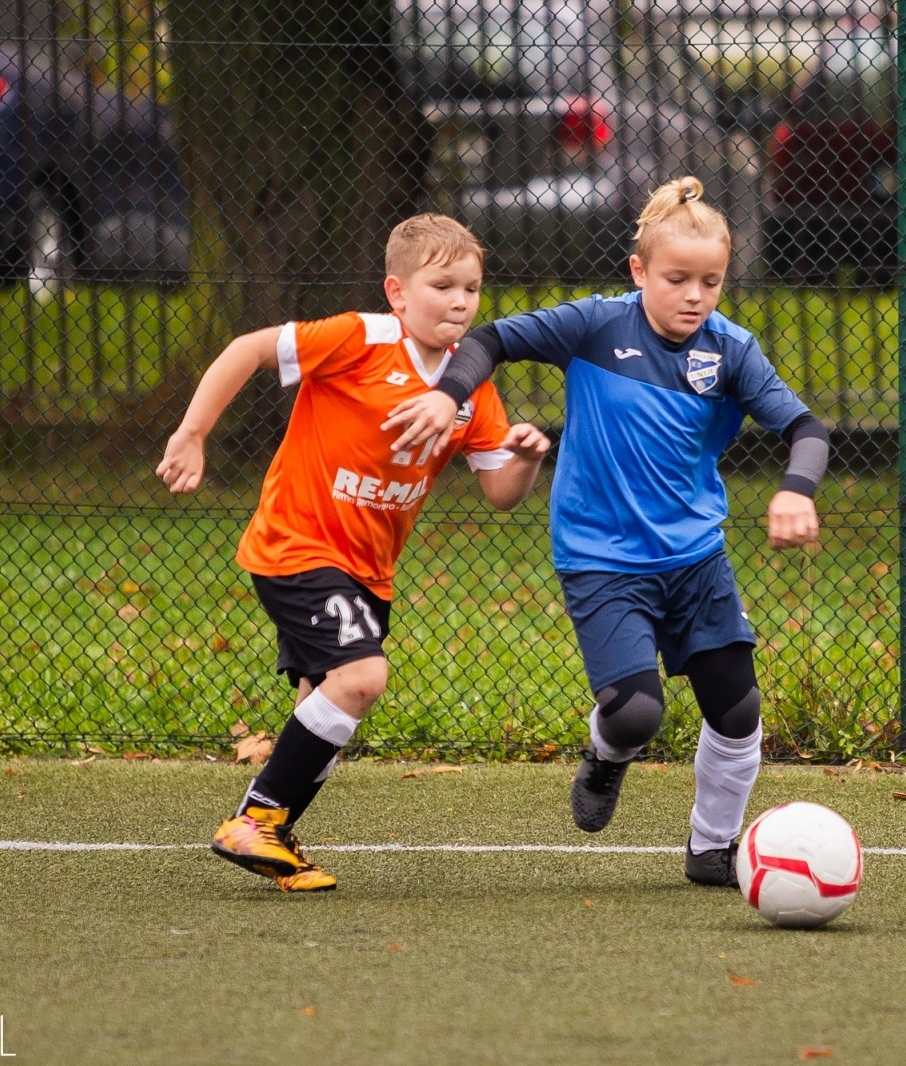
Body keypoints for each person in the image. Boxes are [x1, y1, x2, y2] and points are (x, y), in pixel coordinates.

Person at [383, 178, 829, 887]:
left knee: (738, 707)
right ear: (638, 272)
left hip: (695, 559)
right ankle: (605, 756)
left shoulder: (732, 351)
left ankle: (713, 846)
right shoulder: (595, 325)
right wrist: (446, 395)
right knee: (635, 714)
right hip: (601, 560)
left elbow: (805, 428)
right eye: (677, 278)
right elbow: (492, 339)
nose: (694, 296)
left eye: (710, 281)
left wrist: (794, 491)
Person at [156, 214, 550, 891]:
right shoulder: (361, 338)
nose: (461, 302)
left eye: (473, 289)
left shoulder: (471, 382)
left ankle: (272, 836)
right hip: (297, 543)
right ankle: (257, 819)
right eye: (443, 285)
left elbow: (500, 494)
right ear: (398, 293)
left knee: (325, 700)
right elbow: (246, 350)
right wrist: (193, 434)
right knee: (363, 677)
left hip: (370, 570)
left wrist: (526, 455)